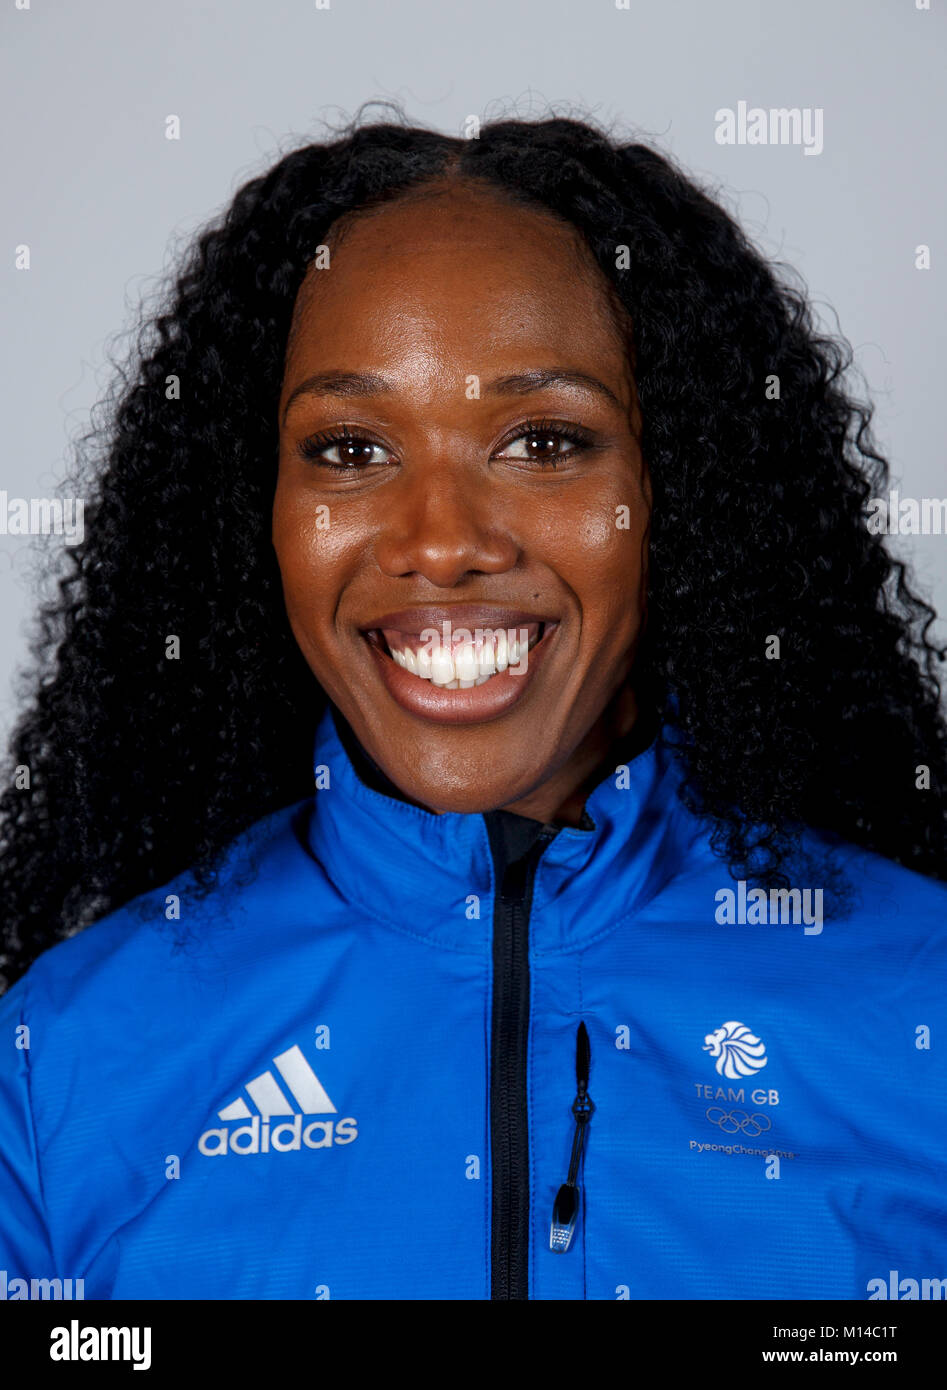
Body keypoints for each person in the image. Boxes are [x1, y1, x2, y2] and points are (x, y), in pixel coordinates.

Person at [0, 108, 945, 1302]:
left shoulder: (925, 1012)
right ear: (257, 514)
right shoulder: (60, 1066)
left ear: (681, 494)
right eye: (348, 450)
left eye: (543, 439)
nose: (439, 543)